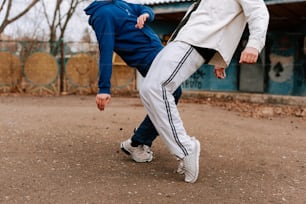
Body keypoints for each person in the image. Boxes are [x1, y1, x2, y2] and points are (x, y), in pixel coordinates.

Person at [139, 0, 269, 183]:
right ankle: (183, 149)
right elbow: (207, 15)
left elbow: (258, 11)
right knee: (147, 89)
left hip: (195, 41)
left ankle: (186, 149)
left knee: (157, 88)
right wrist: (219, 60)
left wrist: (254, 44)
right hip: (182, 40)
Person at [84, 0, 182, 163]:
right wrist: (104, 88)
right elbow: (106, 51)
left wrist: (145, 15)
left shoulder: (120, 4)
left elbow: (144, 8)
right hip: (146, 59)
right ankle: (138, 141)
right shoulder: (103, 15)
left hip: (158, 54)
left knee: (168, 95)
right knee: (170, 94)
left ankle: (140, 138)